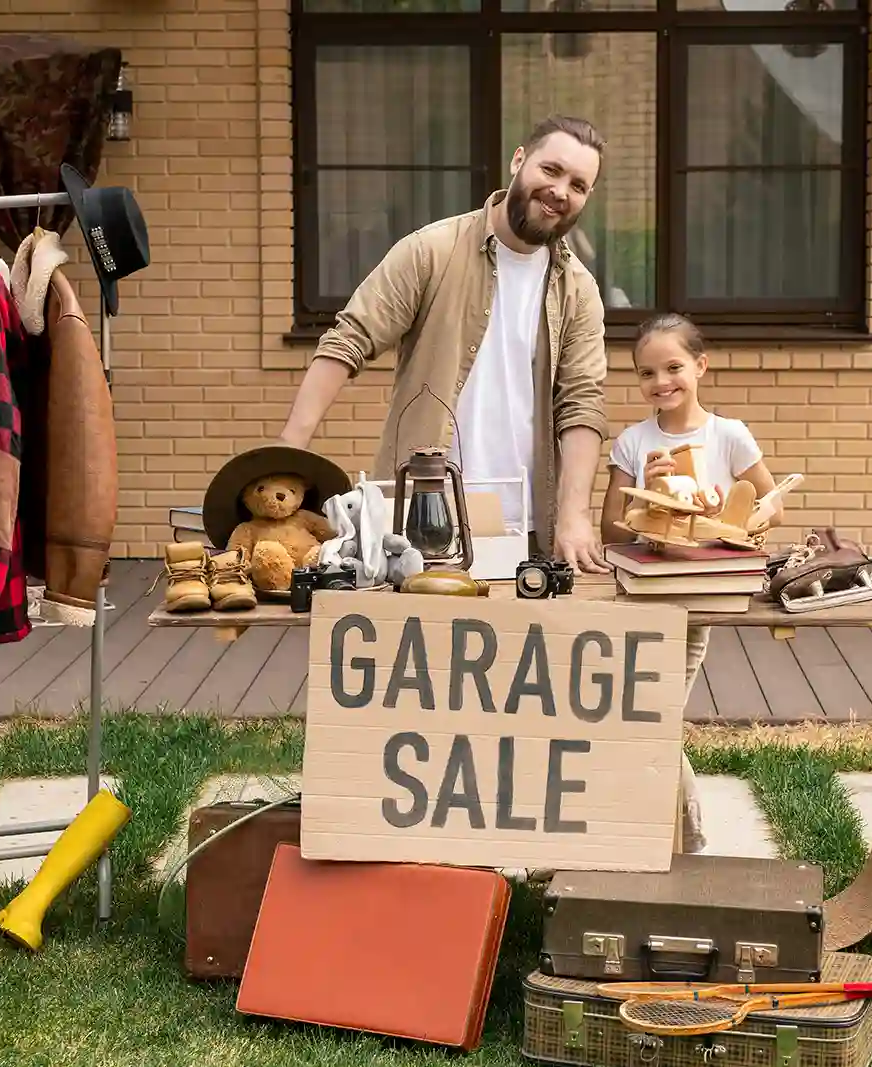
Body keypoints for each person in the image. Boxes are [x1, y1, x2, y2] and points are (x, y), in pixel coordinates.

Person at [277, 115, 614, 575]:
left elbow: (581, 403)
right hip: (417, 524)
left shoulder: (579, 289)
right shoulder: (430, 250)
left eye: (578, 184)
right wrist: (284, 459)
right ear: (519, 160)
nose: (560, 191)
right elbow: (347, 340)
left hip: (530, 529)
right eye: (550, 170)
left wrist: (574, 517)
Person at [600, 313, 786, 852]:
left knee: (657, 716)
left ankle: (685, 835)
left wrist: (724, 517)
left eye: (673, 367)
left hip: (700, 595)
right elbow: (610, 528)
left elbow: (766, 505)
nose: (661, 383)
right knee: (644, 716)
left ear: (700, 366)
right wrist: (645, 489)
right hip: (644, 592)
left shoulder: (727, 435)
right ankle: (668, 833)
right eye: (646, 373)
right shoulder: (635, 443)